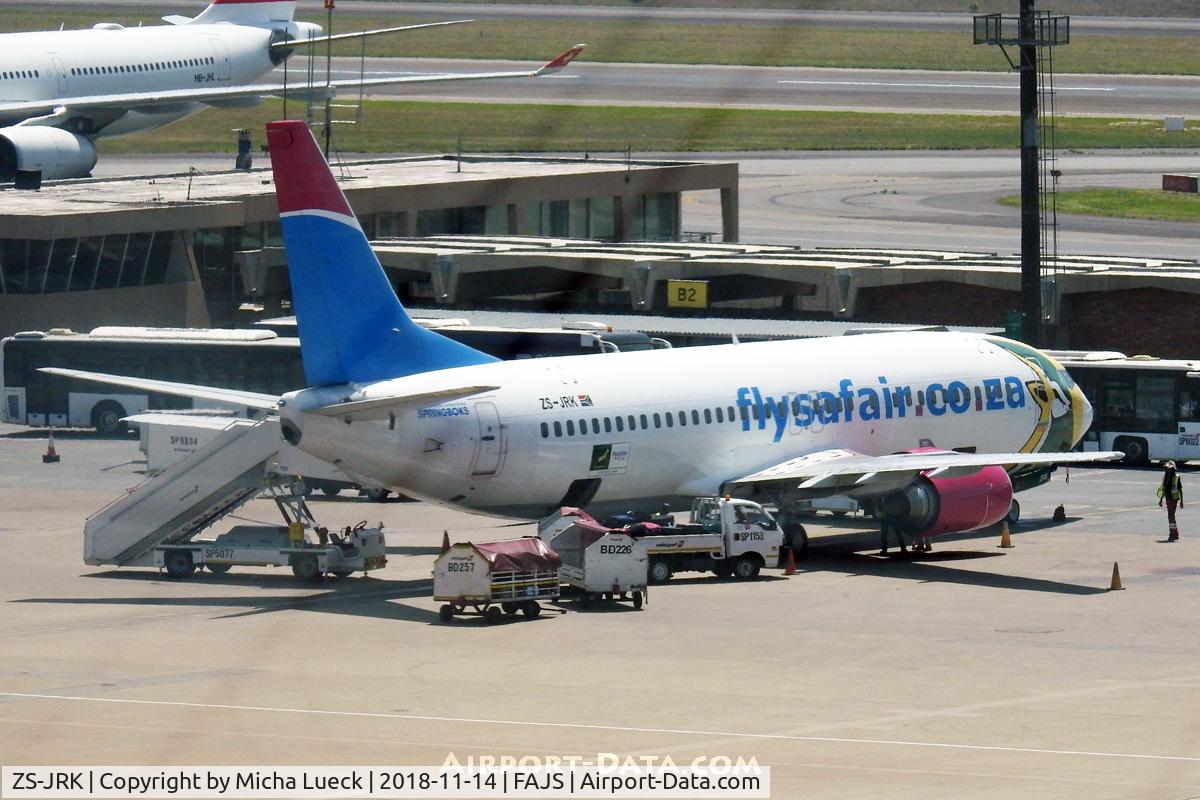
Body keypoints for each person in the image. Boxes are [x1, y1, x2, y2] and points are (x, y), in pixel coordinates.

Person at [1158, 461, 1183, 542]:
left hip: (1174, 498)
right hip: (1168, 498)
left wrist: (1182, 501)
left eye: (1168, 468)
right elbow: (1163, 488)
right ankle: (1173, 534)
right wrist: (1161, 499)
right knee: (1170, 516)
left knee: (1171, 516)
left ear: (1172, 469)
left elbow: (1180, 489)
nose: (1166, 469)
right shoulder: (1165, 477)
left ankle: (1174, 534)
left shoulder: (1176, 477)